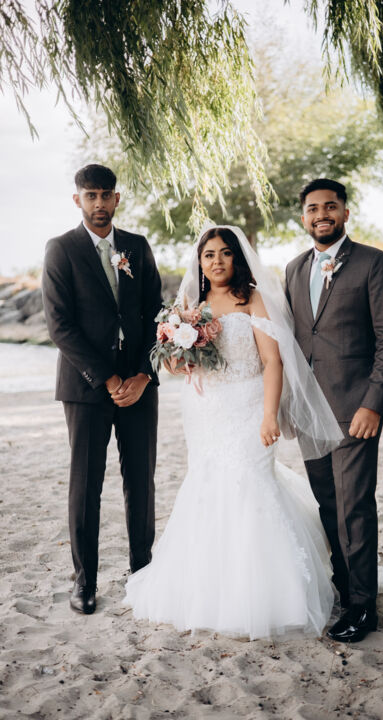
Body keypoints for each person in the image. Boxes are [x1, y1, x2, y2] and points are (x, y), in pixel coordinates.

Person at [123, 225, 345, 640]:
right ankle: (209, 588)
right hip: (205, 409)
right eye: (209, 255)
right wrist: (177, 354)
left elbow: (273, 361)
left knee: (251, 483)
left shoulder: (252, 298)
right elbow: (177, 366)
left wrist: (269, 416)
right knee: (207, 484)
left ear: (237, 258)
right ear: (200, 262)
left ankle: (265, 591)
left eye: (225, 253)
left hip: (248, 406)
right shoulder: (189, 305)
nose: (217, 261)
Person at [285, 178, 383, 642]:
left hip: (355, 409)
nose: (322, 215)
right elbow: (293, 341)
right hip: (309, 412)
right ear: (303, 217)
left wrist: (373, 403)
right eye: (313, 208)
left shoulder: (374, 263)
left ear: (345, 213)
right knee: (328, 504)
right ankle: (344, 588)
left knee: (355, 506)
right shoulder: (294, 269)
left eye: (330, 206)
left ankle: (362, 607)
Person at [42, 164, 163, 615]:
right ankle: (85, 582)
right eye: (90, 195)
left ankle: (143, 574)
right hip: (87, 387)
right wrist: (109, 379)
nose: (98, 203)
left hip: (139, 386)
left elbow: (156, 314)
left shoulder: (137, 246)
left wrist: (144, 375)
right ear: (77, 199)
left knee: (141, 482)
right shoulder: (61, 249)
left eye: (105, 195)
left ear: (117, 199)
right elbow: (60, 326)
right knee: (86, 484)